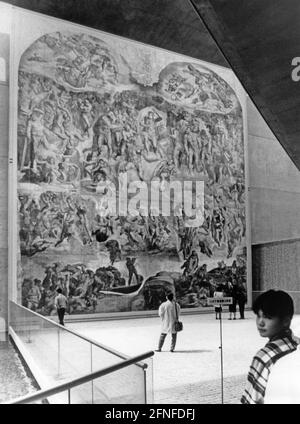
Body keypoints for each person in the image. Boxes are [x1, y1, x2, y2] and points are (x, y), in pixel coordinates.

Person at [241, 290, 299, 404]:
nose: (260, 322)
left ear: (286, 321)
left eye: (268, 317)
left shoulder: (264, 356)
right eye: (258, 316)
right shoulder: (295, 344)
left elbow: (252, 399)